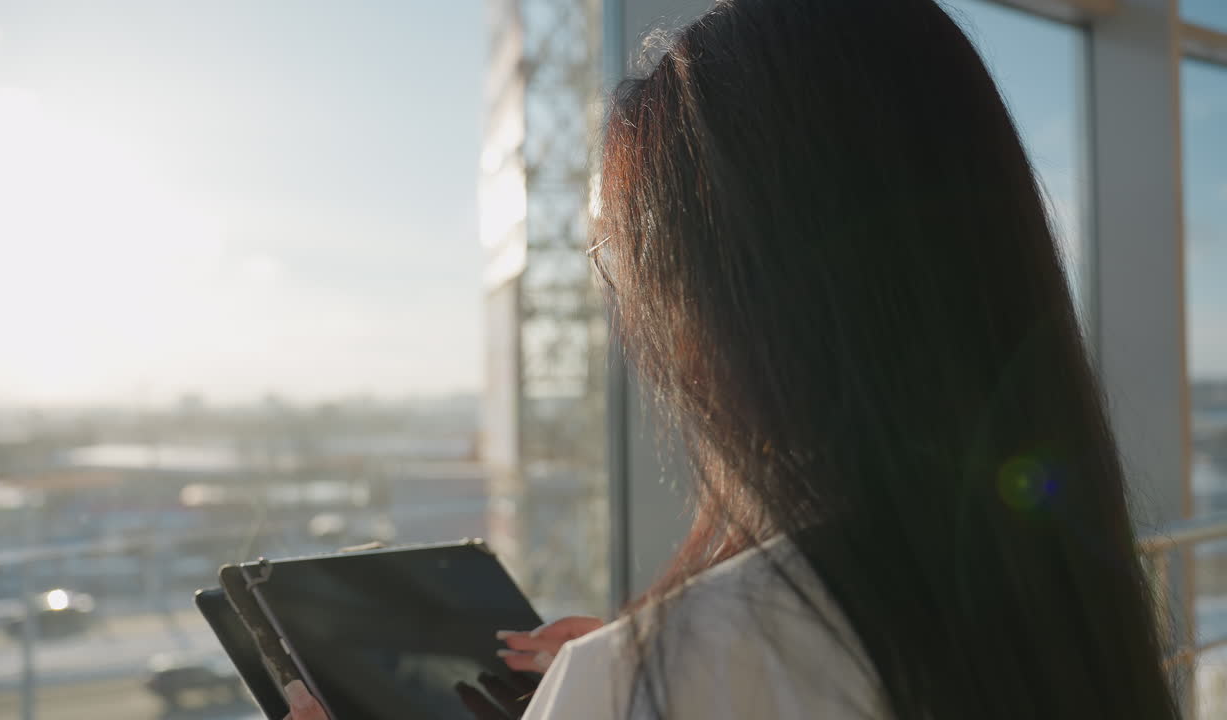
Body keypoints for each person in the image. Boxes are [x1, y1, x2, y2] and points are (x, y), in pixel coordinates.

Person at [286, 0, 1180, 717]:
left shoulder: (660, 677)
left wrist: (639, 679)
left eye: (617, 260)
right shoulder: (1063, 594)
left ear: (718, 298)